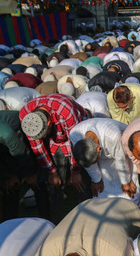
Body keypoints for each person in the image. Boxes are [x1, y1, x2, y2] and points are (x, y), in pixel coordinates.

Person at [19, 94, 89, 223]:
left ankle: (87, 219)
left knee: (82, 181)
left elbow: (76, 143)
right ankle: (55, 223)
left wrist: (76, 171)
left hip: (77, 133)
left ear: (49, 123)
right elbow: (38, 147)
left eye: (43, 134)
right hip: (57, 141)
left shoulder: (65, 111)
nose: (40, 138)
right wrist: (52, 172)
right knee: (55, 183)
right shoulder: (25, 115)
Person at [70, 118, 139, 202]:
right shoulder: (75, 135)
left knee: (129, 193)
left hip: (123, 151)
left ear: (99, 149)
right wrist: (96, 179)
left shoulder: (113, 136)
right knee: (102, 191)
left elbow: (120, 159)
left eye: (94, 161)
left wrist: (125, 181)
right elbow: (87, 161)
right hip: (103, 152)